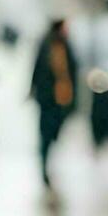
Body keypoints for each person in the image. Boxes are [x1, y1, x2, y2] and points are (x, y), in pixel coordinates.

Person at [31, 18, 78, 187]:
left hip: (63, 97)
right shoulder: (46, 45)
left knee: (56, 131)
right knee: (45, 133)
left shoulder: (67, 46)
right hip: (47, 98)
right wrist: (33, 90)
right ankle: (44, 165)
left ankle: (50, 157)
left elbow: (73, 72)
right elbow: (37, 69)